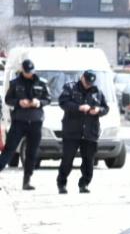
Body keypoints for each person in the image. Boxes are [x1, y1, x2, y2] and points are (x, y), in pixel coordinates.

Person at [56, 69, 108, 194]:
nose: (88, 85)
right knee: (67, 159)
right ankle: (62, 184)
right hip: (72, 131)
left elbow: (105, 108)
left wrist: (98, 110)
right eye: (86, 82)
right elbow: (62, 103)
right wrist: (78, 107)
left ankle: (84, 184)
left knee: (88, 161)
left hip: (90, 132)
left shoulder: (97, 92)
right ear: (82, 78)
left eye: (90, 83)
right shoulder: (70, 88)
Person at [1, 59, 51, 190]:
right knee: (9, 150)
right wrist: (19, 102)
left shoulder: (42, 83)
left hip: (35, 122)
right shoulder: (15, 83)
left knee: (31, 152)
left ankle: (27, 181)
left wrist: (39, 102)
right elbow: (8, 99)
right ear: (22, 70)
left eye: (31, 71)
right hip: (19, 121)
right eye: (27, 71)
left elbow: (48, 98)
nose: (29, 74)